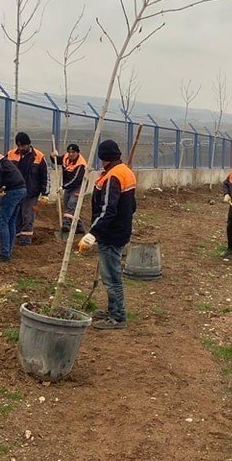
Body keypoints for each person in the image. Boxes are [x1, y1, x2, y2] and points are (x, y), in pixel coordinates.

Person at [77, 140, 137, 330]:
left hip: (111, 234)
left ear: (103, 157)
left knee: (111, 277)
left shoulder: (112, 177)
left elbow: (108, 210)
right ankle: (113, 309)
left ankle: (118, 316)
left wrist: (93, 233)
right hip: (121, 230)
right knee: (111, 274)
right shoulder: (126, 171)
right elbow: (132, 206)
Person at [6, 132, 49, 245]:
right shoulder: (10, 155)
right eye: (19, 146)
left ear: (29, 144)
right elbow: (4, 171)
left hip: (31, 192)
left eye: (23, 146)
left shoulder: (38, 156)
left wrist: (45, 192)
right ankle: (15, 236)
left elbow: (45, 175)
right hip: (15, 191)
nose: (21, 148)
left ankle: (25, 240)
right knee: (16, 215)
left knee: (28, 215)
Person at [53, 143, 88, 234]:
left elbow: (76, 179)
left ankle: (66, 225)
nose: (71, 154)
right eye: (69, 152)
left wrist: (63, 186)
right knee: (67, 206)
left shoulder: (81, 164)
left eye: (73, 152)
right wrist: (53, 156)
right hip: (68, 186)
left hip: (79, 186)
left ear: (78, 153)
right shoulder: (66, 157)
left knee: (71, 204)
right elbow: (57, 160)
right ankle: (80, 227)